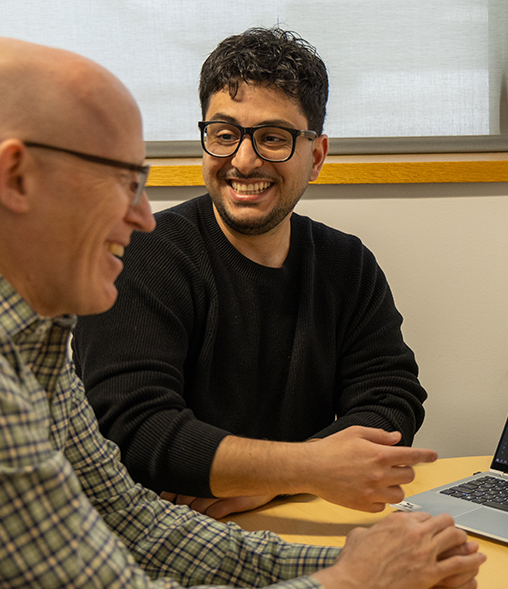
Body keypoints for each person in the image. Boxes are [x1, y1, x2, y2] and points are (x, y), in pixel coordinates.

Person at [0, 37, 484, 589]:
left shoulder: (30, 325)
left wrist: (359, 563)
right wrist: (349, 586)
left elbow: (131, 521)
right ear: (17, 177)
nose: (144, 215)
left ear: (314, 152)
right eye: (125, 180)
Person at [73, 27, 432, 519]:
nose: (243, 161)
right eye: (224, 135)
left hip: (292, 516)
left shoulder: (347, 265)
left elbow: (393, 399)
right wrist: (306, 468)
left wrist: (276, 483)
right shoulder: (143, 255)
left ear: (317, 155)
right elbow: (133, 429)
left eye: (272, 138)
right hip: (160, 534)